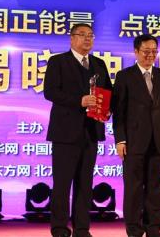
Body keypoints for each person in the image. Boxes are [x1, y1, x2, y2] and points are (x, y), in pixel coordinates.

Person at [43, 23, 113, 237]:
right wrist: (79, 101)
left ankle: (82, 229)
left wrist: (107, 109)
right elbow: (50, 92)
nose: (87, 39)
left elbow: (108, 93)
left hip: (91, 131)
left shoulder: (99, 64)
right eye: (82, 35)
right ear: (71, 38)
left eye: (90, 35)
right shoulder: (58, 61)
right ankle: (59, 228)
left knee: (85, 184)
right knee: (62, 183)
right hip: (65, 133)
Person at [112, 34, 160, 237]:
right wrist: (120, 139)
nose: (150, 55)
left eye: (154, 51)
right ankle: (134, 229)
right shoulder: (124, 76)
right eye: (146, 51)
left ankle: (153, 228)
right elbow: (119, 112)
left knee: (155, 188)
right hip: (133, 142)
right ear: (136, 52)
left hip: (159, 141)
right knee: (133, 189)